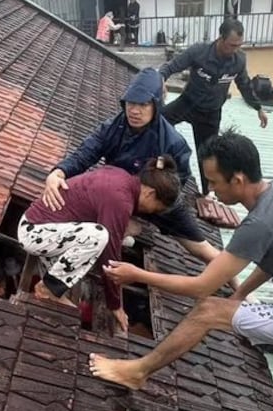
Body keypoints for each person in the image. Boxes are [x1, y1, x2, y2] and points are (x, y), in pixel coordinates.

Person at [91, 129, 273, 411]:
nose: (211, 191)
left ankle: (138, 371)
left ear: (238, 180)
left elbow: (202, 286)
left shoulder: (260, 224)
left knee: (208, 310)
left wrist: (138, 274)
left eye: (214, 182)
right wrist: (239, 296)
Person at [42, 67, 223, 268]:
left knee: (201, 247)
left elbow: (178, 181)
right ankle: (126, 227)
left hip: (158, 200)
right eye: (131, 103)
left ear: (156, 105)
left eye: (143, 104)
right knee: (82, 215)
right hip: (121, 197)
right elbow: (85, 153)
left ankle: (236, 282)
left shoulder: (173, 142)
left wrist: (154, 197)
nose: (135, 111)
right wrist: (59, 172)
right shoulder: (112, 128)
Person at [19, 157, 180, 333]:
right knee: (100, 236)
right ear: (150, 193)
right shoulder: (120, 200)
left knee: (123, 236)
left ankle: (54, 273)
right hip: (34, 233)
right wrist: (115, 304)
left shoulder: (121, 176)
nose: (150, 212)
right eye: (155, 208)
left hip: (46, 227)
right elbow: (110, 257)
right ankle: (48, 288)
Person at [158, 18, 269, 193]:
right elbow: (171, 67)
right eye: (232, 45)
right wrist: (161, 80)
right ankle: (159, 164)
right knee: (156, 123)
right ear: (220, 38)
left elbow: (245, 85)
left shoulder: (239, 60)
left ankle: (206, 194)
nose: (235, 49)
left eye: (239, 45)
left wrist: (258, 108)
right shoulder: (199, 51)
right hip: (187, 103)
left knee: (208, 158)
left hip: (211, 114)